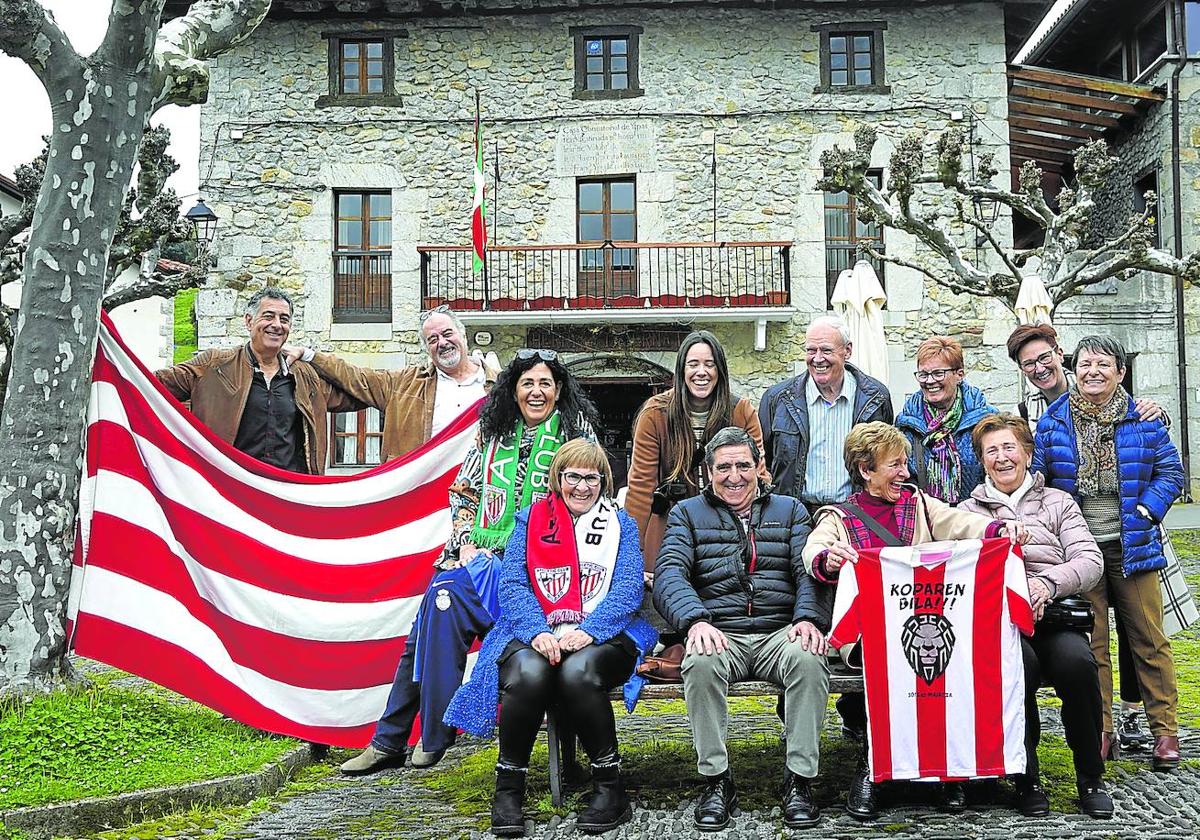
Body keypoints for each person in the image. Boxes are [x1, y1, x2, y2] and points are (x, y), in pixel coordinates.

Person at [339, 349, 599, 775]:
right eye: (527, 384)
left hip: (542, 570)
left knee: (437, 605)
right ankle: (397, 739)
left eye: (545, 384)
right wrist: (464, 545)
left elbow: (584, 500)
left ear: (558, 391)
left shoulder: (575, 434)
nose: (536, 392)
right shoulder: (493, 430)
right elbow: (465, 493)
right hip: (480, 553)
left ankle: (414, 736)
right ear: (513, 391)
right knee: (433, 611)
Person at [802, 421, 1023, 821]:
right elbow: (816, 547)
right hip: (872, 635)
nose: (905, 472)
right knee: (891, 664)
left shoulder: (918, 503)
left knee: (949, 656)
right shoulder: (840, 516)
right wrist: (828, 557)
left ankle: (945, 772)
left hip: (927, 622)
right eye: (894, 465)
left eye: (905, 463)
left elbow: (959, 522)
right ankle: (873, 768)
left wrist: (997, 528)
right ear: (866, 470)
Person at [444, 439, 657, 836]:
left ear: (603, 481)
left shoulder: (620, 524)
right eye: (572, 476)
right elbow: (512, 584)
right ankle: (508, 789)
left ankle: (610, 787)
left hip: (607, 630)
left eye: (591, 478)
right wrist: (538, 631)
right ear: (558, 479)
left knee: (579, 672)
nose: (581, 487)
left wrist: (590, 630)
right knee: (528, 673)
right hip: (534, 628)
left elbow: (628, 588)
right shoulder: (530, 520)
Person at [653, 427, 831, 831]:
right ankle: (717, 780)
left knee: (809, 658)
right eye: (725, 467)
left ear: (759, 468)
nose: (735, 476)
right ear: (708, 472)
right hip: (720, 630)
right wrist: (695, 619)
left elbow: (810, 572)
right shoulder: (686, 513)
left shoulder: (791, 511)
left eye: (743, 466)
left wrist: (807, 619)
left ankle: (799, 780)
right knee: (699, 664)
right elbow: (669, 574)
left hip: (779, 631)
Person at [1007, 323, 1168, 752]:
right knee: (1093, 641)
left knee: (1148, 637)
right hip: (1079, 547)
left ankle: (1164, 731)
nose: (1092, 371)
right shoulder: (1052, 421)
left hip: (1133, 540)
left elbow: (1169, 471)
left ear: (1120, 372)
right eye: (1087, 364)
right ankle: (1102, 730)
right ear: (1075, 368)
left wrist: (1148, 508)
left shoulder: (1143, 417)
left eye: (1103, 364)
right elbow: (1038, 473)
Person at [958, 414, 1112, 818]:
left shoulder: (1058, 502)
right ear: (981, 460)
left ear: (1027, 453)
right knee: (1016, 669)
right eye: (991, 451)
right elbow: (958, 572)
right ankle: (1026, 777)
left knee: (1078, 665)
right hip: (1001, 625)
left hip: (1054, 617)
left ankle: (1090, 776)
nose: (1002, 457)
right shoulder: (968, 511)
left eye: (1009, 447)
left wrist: (1045, 585)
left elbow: (1089, 560)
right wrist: (1009, 595)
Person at [155, 287, 361, 474]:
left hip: (288, 496)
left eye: (284, 319)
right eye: (268, 316)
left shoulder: (305, 376)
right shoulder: (213, 366)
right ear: (248, 321)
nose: (277, 325)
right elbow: (150, 386)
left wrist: (312, 356)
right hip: (230, 493)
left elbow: (361, 391)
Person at [625, 330, 768, 576]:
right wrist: (629, 553)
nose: (701, 372)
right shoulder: (655, 414)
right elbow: (641, 487)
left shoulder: (741, 411)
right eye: (693, 364)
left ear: (719, 371)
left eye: (709, 364)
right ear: (681, 370)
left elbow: (759, 477)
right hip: (669, 530)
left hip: (727, 532)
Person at [285, 305, 500, 460]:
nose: (442, 343)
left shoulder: (500, 386)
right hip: (427, 495)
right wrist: (309, 355)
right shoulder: (403, 384)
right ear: (427, 348)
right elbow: (355, 377)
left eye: (447, 334)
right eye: (433, 340)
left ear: (463, 335)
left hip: (483, 492)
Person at [759, 314, 893, 506]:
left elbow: (885, 460)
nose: (818, 359)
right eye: (811, 350)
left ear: (847, 351)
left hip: (857, 514)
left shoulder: (876, 398)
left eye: (826, 350)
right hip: (796, 517)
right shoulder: (777, 399)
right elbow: (764, 461)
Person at [895, 335, 997, 505]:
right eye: (923, 374)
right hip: (925, 520)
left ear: (959, 374)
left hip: (976, 520)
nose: (930, 381)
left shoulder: (987, 421)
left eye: (938, 373)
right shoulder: (906, 423)